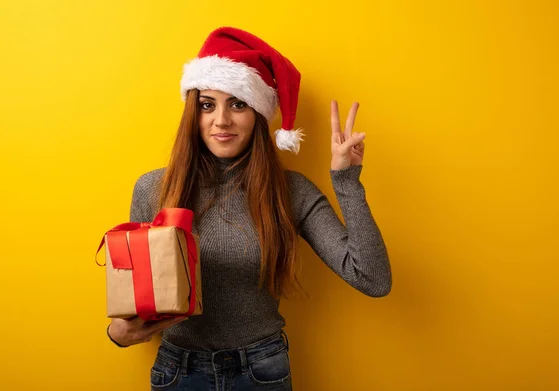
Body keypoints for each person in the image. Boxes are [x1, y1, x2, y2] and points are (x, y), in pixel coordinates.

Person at [106, 26, 392, 390]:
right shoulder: (153, 189)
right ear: (193, 113)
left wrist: (347, 181)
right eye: (207, 104)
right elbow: (134, 306)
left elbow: (373, 278)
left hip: (261, 371)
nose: (221, 120)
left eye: (237, 103)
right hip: (179, 371)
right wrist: (118, 331)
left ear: (258, 113)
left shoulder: (291, 192)